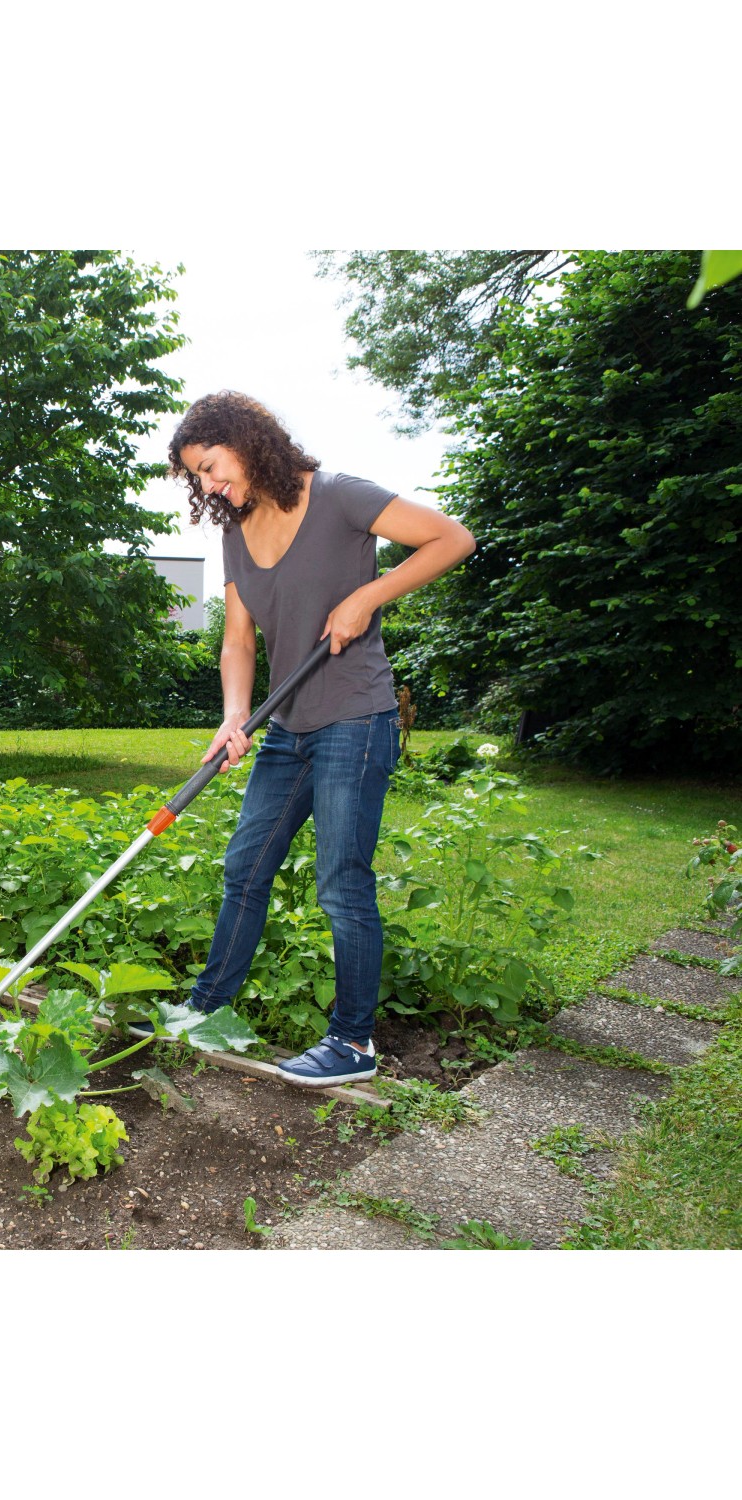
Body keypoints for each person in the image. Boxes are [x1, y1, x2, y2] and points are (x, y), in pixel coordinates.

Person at [157, 390, 475, 1086]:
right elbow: (237, 642)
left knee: (341, 883)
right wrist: (234, 714)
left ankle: (353, 1043)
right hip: (286, 726)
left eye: (211, 466)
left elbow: (454, 538)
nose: (209, 485)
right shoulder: (235, 534)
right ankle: (204, 1010)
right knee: (245, 867)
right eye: (198, 478)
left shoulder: (339, 498)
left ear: (247, 441)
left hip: (355, 719)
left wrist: (368, 596)